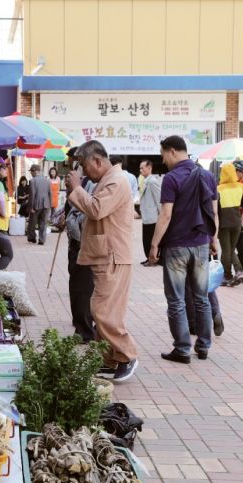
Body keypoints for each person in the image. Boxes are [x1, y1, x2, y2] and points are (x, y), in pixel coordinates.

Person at [66, 140, 138, 383]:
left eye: (85, 167)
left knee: (102, 310)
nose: (84, 173)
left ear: (98, 160)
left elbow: (96, 209)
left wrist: (77, 188)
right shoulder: (107, 180)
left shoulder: (117, 181)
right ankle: (110, 359)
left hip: (113, 256)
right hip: (105, 255)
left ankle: (127, 355)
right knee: (105, 310)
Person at [148, 135, 219, 363]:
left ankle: (182, 349)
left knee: (177, 300)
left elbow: (166, 214)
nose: (163, 160)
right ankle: (204, 346)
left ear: (171, 151)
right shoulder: (208, 176)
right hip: (201, 245)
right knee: (202, 298)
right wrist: (213, 239)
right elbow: (214, 213)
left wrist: (154, 244)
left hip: (177, 246)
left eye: (163, 155)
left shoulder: (171, 178)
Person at [63, 147, 97, 343]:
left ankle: (85, 330)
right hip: (75, 241)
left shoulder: (93, 183)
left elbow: (89, 209)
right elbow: (73, 207)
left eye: (77, 161)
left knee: (83, 288)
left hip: (85, 241)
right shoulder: (80, 181)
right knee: (76, 286)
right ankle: (81, 327)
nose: (72, 164)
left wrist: (76, 189)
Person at [217, 163, 243, 286]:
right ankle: (239, 272)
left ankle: (227, 275)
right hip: (237, 223)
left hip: (224, 224)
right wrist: (242, 220)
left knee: (227, 251)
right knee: (231, 250)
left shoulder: (219, 189)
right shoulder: (240, 187)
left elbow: (215, 211)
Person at [138, 159, 161, 266]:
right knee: (146, 239)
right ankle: (148, 258)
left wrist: (161, 215)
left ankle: (153, 259)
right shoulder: (145, 180)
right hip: (146, 216)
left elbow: (158, 199)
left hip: (152, 217)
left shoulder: (152, 181)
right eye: (140, 168)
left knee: (151, 240)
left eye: (142, 168)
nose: (140, 170)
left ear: (149, 168)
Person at [27, 164, 52, 245]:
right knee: (43, 223)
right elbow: (50, 193)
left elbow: (32, 195)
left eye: (31, 171)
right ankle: (42, 240)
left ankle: (32, 238)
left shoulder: (32, 181)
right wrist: (50, 205)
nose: (31, 173)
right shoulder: (47, 180)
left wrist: (31, 207)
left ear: (35, 171)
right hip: (46, 204)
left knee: (32, 223)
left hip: (36, 205)